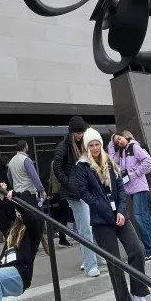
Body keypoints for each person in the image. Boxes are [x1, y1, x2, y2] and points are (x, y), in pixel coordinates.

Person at [72, 128, 151, 301]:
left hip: (119, 215)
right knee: (115, 264)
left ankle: (137, 293)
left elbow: (119, 186)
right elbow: (84, 193)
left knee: (137, 249)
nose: (94, 148)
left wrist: (120, 210)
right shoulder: (82, 166)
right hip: (102, 220)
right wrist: (108, 213)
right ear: (86, 146)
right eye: (91, 145)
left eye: (97, 144)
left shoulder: (109, 160)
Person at [52, 116, 100, 277]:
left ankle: (93, 258)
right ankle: (90, 264)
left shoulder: (85, 144)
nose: (80, 135)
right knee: (85, 226)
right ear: (71, 132)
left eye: (82, 132)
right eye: (77, 132)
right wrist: (69, 185)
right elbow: (57, 167)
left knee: (90, 225)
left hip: (86, 191)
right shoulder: (63, 147)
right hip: (74, 194)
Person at [108, 131, 151, 260]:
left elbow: (147, 160)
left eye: (119, 139)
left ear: (125, 137)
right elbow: (112, 161)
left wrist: (136, 173)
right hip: (131, 188)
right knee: (144, 218)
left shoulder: (133, 146)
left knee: (139, 217)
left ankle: (150, 249)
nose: (119, 142)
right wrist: (111, 143)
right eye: (116, 142)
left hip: (139, 186)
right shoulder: (122, 152)